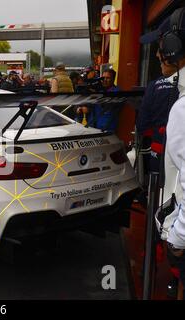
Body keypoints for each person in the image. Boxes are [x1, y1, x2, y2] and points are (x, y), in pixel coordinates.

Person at [140, 6, 185, 299]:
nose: (157, 55)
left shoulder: (181, 107)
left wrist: (178, 236)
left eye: (161, 47)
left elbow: (142, 122)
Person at [136, 49, 180, 298]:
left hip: (161, 157)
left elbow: (142, 124)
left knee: (161, 207)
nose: (157, 59)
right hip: (172, 160)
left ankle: (156, 255)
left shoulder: (155, 86)